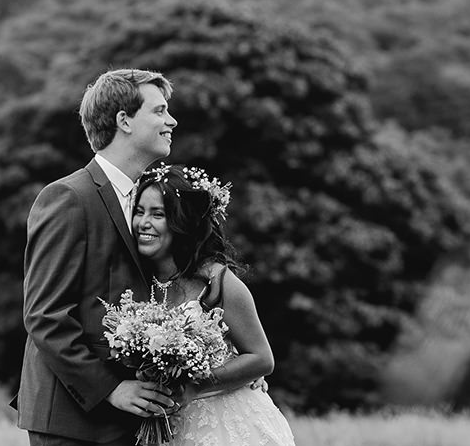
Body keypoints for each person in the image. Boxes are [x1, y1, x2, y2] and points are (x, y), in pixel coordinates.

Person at [16, 68, 180, 446]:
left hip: (131, 422)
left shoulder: (149, 203)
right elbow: (45, 315)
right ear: (124, 120)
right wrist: (110, 389)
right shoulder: (68, 198)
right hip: (75, 421)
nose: (171, 120)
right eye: (159, 111)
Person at [132, 163, 297, 446]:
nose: (143, 223)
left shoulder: (217, 281)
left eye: (157, 214)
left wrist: (194, 387)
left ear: (180, 222)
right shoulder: (135, 279)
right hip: (168, 428)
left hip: (227, 427)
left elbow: (261, 359)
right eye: (139, 211)